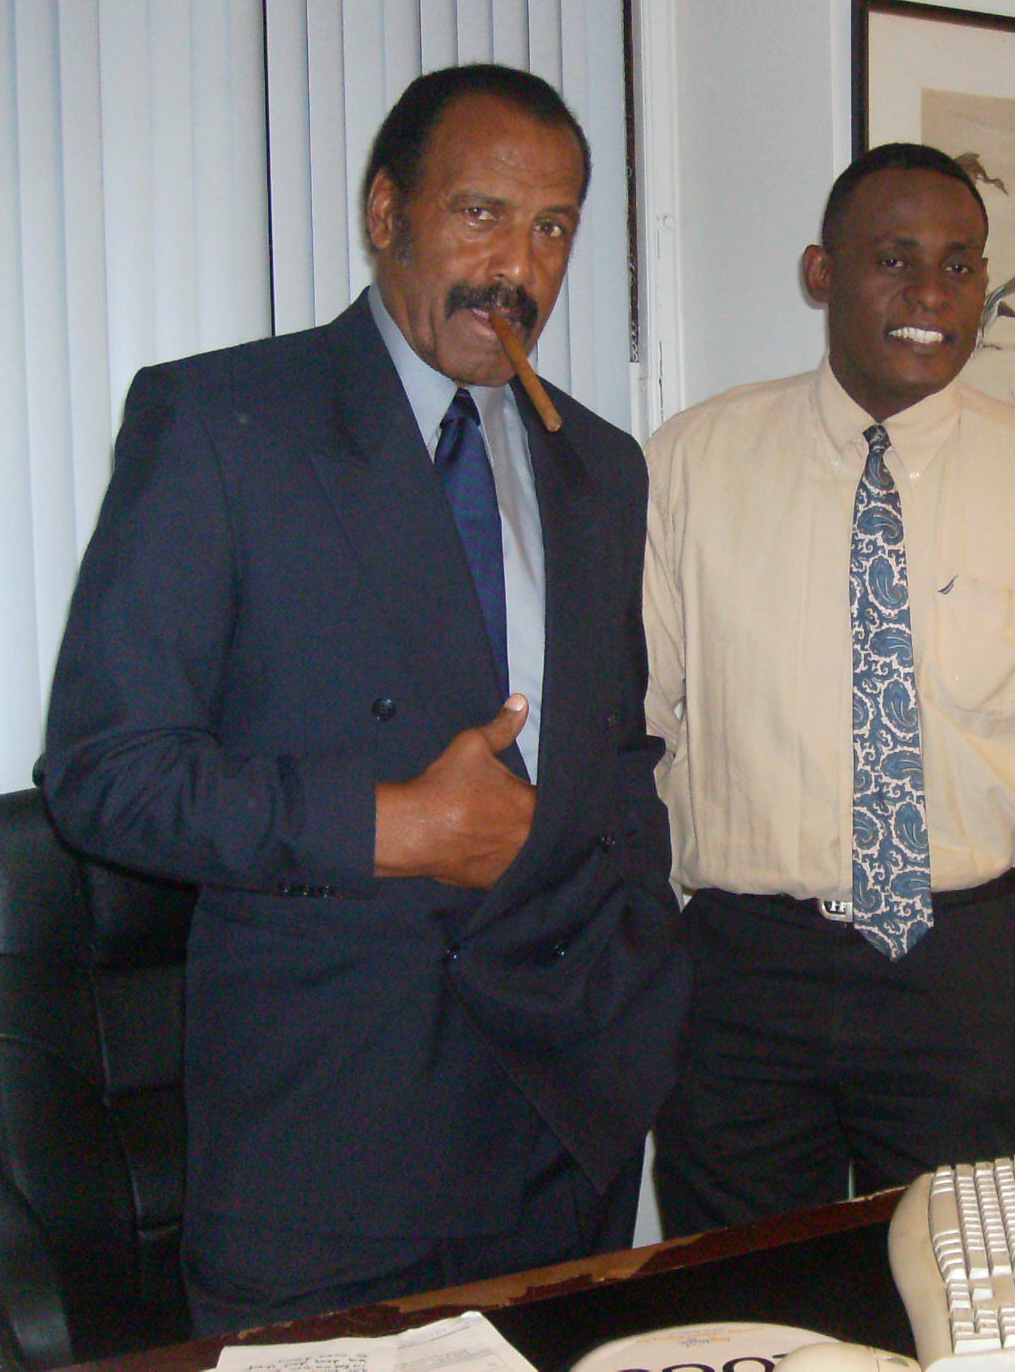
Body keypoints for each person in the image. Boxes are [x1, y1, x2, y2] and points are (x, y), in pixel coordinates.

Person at [39, 64, 687, 1331]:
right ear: (384, 212)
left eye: (552, 226)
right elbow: (103, 773)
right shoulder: (224, 421)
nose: (519, 266)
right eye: (481, 214)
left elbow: (616, 764)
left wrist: (639, 987)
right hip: (329, 1139)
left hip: (564, 1121)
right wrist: (395, 823)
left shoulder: (599, 466)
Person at [643, 143, 1015, 1233]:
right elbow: (634, 727)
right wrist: (658, 941)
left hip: (962, 977)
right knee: (746, 1302)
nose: (930, 296)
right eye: (892, 260)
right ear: (820, 271)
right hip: (743, 979)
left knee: (955, 1303)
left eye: (959, 264)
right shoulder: (692, 465)